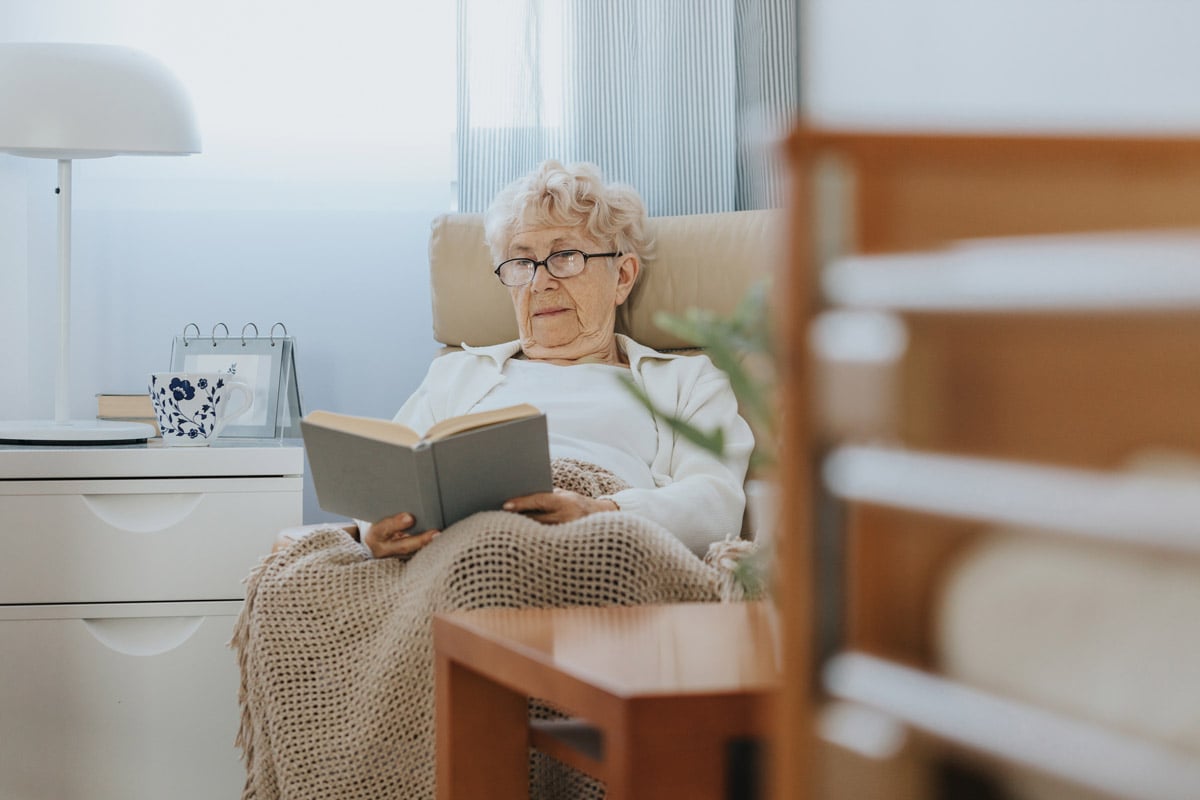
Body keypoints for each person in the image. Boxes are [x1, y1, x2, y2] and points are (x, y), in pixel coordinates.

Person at [358, 159, 754, 560]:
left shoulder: (686, 381)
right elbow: (386, 488)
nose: (539, 281)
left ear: (622, 276)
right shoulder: (457, 373)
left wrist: (599, 513)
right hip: (456, 550)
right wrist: (376, 529)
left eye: (565, 256)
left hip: (601, 550)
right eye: (521, 262)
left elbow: (716, 502)